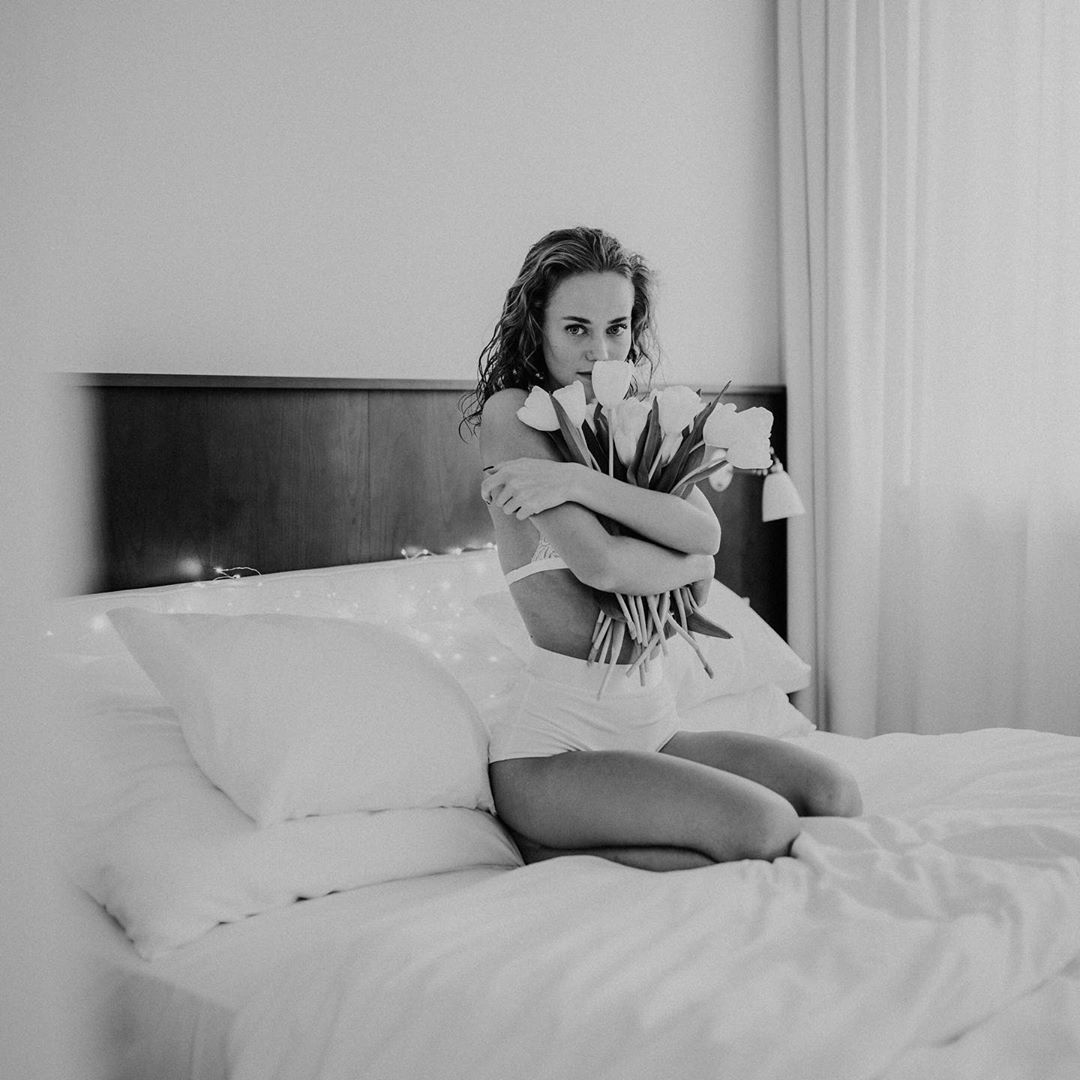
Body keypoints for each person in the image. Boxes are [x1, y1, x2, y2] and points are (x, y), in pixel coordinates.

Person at [463, 226, 861, 872]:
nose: (600, 351)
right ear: (537, 326)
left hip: (651, 724)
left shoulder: (632, 413)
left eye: (617, 328)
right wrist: (689, 564)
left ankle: (587, 839)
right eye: (576, 329)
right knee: (764, 827)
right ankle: (546, 841)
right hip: (554, 745)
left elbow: (706, 538)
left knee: (834, 794)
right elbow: (601, 564)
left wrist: (577, 482)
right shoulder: (514, 414)